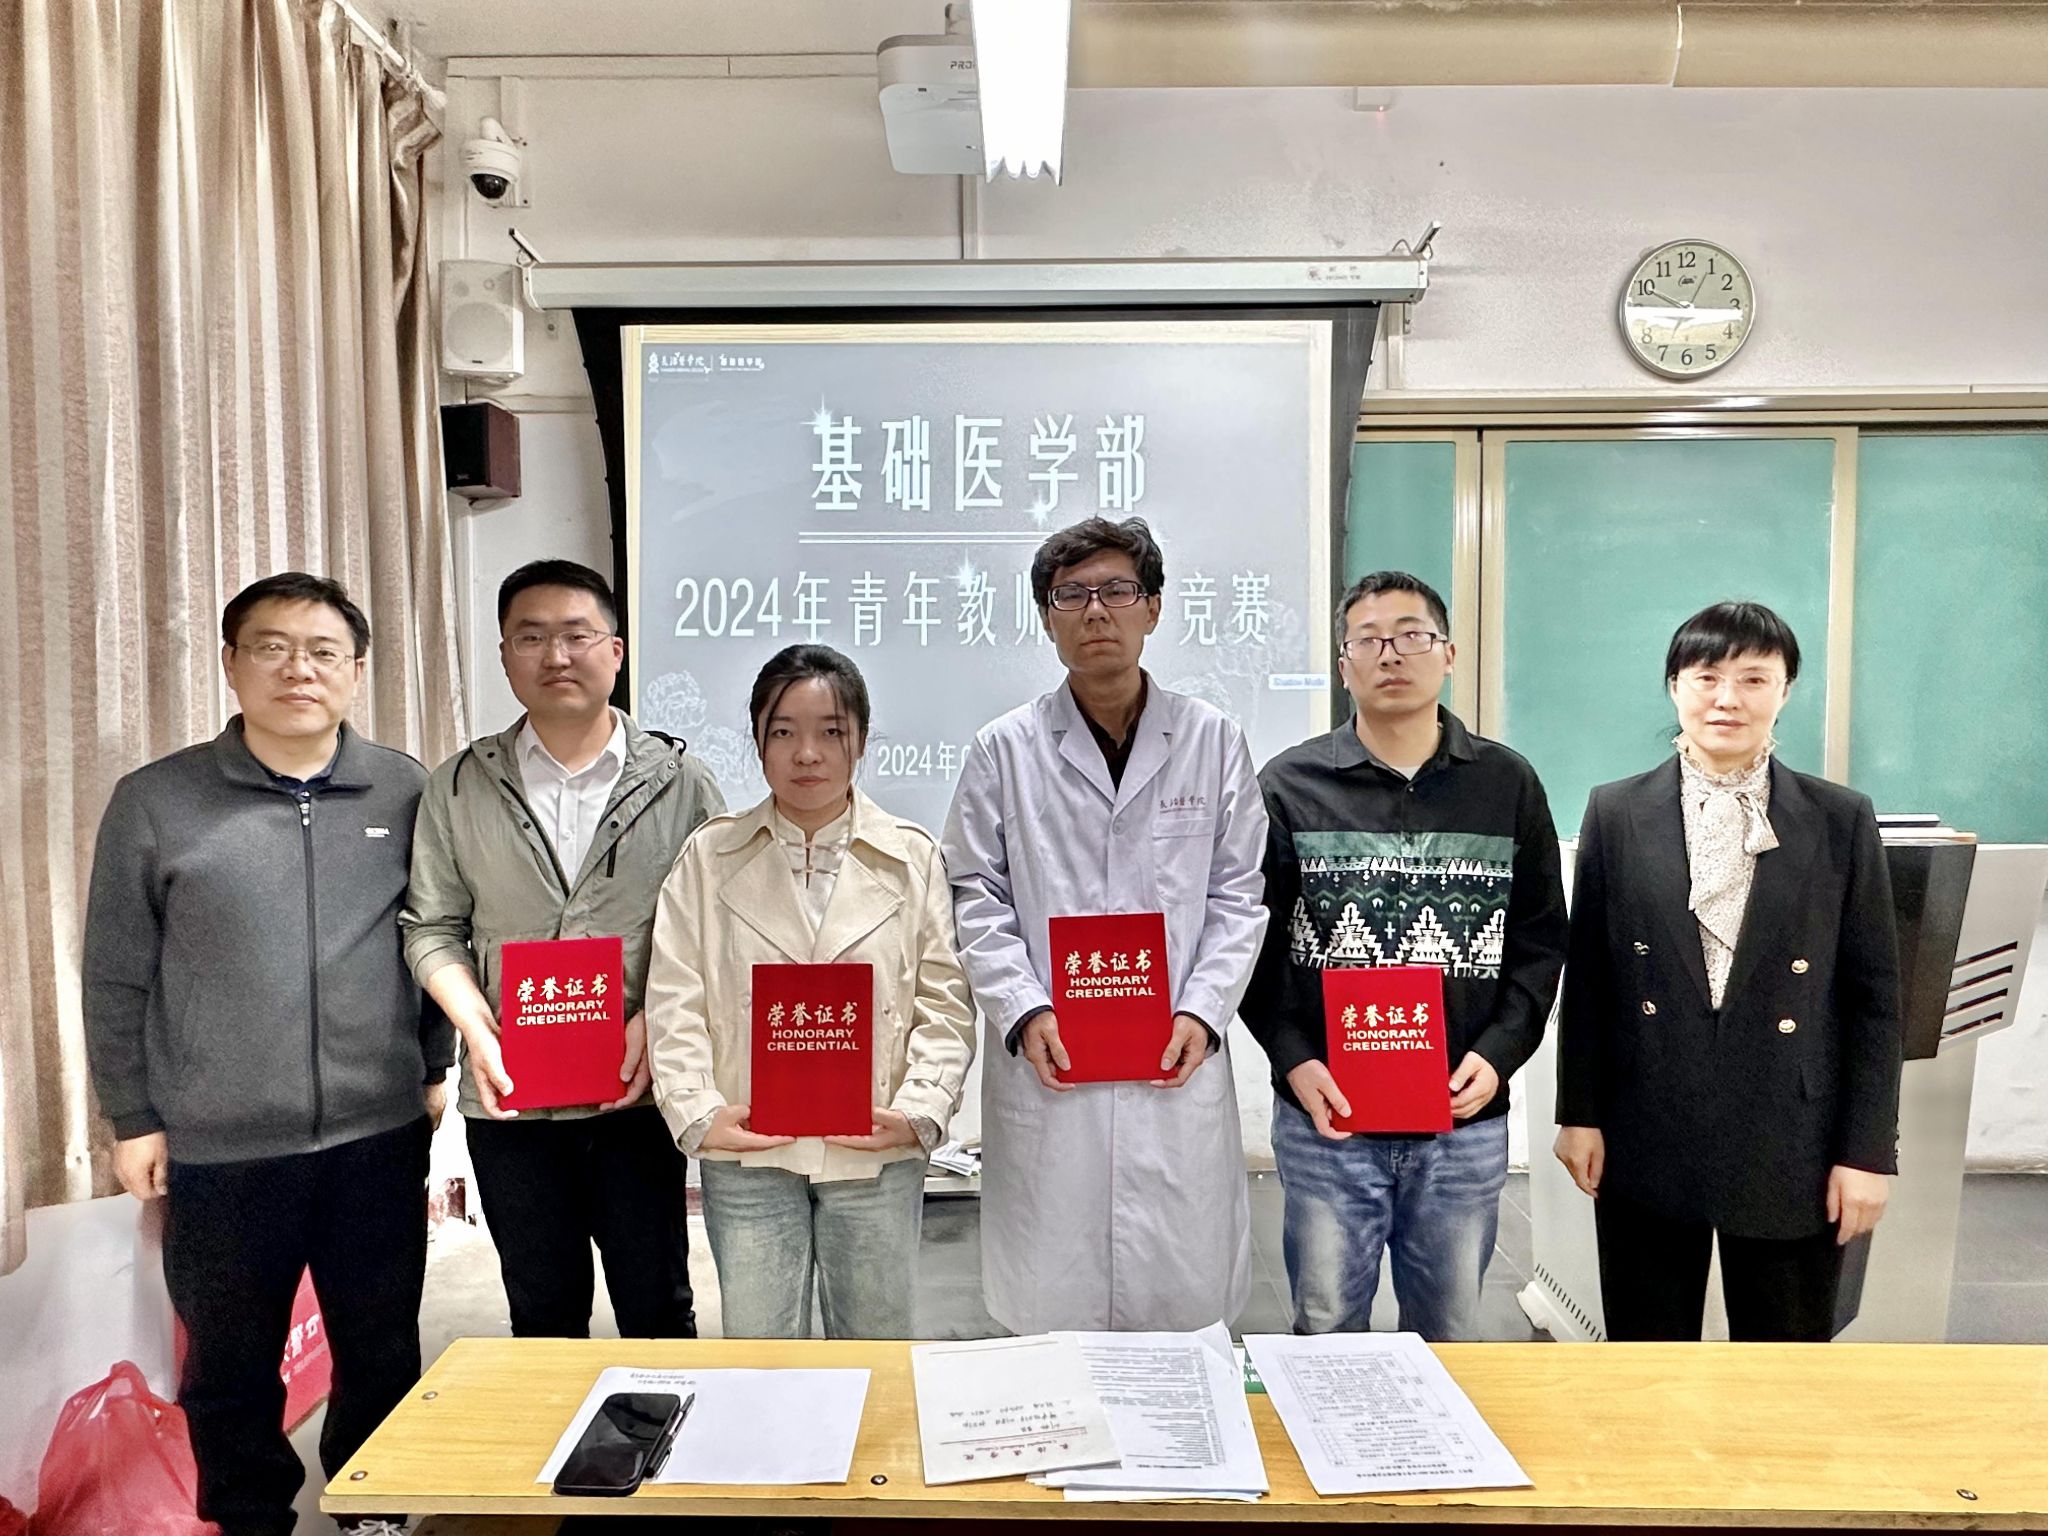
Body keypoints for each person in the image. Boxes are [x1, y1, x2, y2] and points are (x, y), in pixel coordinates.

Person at [83, 572, 447, 1536]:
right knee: (230, 1364)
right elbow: (115, 972)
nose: (299, 670)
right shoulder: (157, 802)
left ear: (356, 671)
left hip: (376, 1132)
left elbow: (435, 932)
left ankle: (375, 1509)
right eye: (272, 648)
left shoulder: (406, 789)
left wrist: (434, 1061)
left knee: (381, 1345)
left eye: (323, 652)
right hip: (222, 1145)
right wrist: (133, 1114)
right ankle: (248, 1519)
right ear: (232, 664)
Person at [942, 516, 1269, 1334]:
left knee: (1181, 1317)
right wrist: (1024, 1008)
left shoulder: (1212, 741)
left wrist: (1203, 1010)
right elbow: (973, 892)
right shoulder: (1002, 750)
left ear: (1152, 608)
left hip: (1173, 1053)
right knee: (1054, 1317)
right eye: (1071, 595)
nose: (1096, 610)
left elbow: (1238, 893)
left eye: (1118, 590)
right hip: (1053, 1058)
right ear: (1046, 618)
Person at [1554, 601, 1903, 1342]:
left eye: (1753, 678)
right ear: (1674, 686)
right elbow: (1589, 982)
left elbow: (1873, 1001)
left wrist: (1867, 1153)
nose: (1727, 698)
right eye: (1707, 676)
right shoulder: (1616, 812)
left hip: (1792, 1137)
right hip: (1647, 1123)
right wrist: (1578, 1113)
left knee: (1783, 1364)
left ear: (1785, 690)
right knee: (1649, 1355)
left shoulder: (1840, 818)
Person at [401, 559, 724, 1339]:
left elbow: (716, 926)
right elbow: (431, 925)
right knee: (542, 1313)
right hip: (511, 1095)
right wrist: (477, 1031)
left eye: (577, 635)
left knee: (659, 1306)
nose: (556, 655)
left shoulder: (682, 783)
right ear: (505, 655)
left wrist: (656, 1021)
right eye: (531, 637)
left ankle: (666, 1419)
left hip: (640, 1092)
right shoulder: (458, 786)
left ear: (615, 650)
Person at [1242, 570, 1568, 1340]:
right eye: (1368, 640)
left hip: (1462, 1118)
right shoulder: (1288, 785)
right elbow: (1250, 944)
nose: (1391, 654)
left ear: (1448, 653)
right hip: (1328, 1119)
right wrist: (1294, 1059)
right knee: (1326, 1323)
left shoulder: (1506, 783)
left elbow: (1539, 939)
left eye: (1412, 635)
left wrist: (1499, 1055)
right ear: (1343, 664)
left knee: (1450, 1330)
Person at [643, 646, 975, 1338]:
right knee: (761, 1349)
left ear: (861, 741)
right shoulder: (709, 857)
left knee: (877, 1344)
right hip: (750, 1150)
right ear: (758, 741)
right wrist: (699, 1112)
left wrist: (920, 1108)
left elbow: (944, 1000)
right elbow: (675, 997)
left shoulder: (911, 857)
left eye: (830, 731)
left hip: (875, 1148)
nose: (807, 754)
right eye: (783, 731)